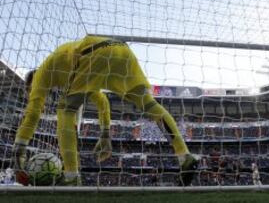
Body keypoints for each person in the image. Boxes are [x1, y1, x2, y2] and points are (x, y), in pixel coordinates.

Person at [12, 35, 198, 186]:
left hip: (92, 52)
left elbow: (33, 113)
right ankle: (185, 156)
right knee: (150, 105)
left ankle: (70, 176)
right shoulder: (69, 73)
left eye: (30, 92)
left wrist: (18, 154)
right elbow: (101, 100)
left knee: (65, 110)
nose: (34, 95)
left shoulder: (40, 75)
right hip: (122, 51)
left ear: (31, 82)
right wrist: (105, 134)